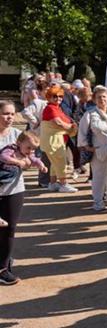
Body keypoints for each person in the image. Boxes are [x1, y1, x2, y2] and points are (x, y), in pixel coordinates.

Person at [0, 101, 33, 285]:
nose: (10, 117)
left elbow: (29, 156)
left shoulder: (17, 136)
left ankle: (3, 267)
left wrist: (27, 162)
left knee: (10, 228)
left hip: (14, 189)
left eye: (12, 114)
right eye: (5, 114)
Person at [79, 86, 107, 211]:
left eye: (104, 96)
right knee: (99, 176)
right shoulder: (90, 114)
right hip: (99, 150)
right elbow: (82, 132)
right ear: (94, 99)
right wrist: (88, 147)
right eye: (98, 97)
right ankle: (98, 201)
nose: (102, 99)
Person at [40, 85, 78, 193]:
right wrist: (72, 127)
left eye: (60, 96)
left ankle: (52, 183)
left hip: (56, 140)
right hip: (54, 141)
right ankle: (63, 184)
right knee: (61, 163)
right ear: (49, 97)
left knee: (55, 163)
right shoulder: (51, 108)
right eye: (55, 96)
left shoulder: (55, 107)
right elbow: (58, 122)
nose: (58, 98)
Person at [21, 82, 50, 187]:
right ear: (40, 92)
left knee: (47, 157)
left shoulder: (50, 102)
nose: (48, 92)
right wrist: (35, 121)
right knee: (42, 157)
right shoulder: (37, 102)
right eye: (46, 90)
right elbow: (25, 112)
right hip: (39, 134)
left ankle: (47, 179)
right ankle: (43, 181)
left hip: (48, 134)